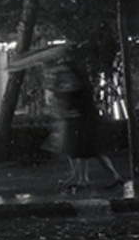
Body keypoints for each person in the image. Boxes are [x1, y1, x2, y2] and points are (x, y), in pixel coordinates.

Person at [49, 56, 125, 191]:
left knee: (82, 150)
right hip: (79, 121)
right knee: (85, 150)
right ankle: (107, 177)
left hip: (83, 121)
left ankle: (83, 179)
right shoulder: (73, 84)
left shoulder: (78, 86)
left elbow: (78, 102)